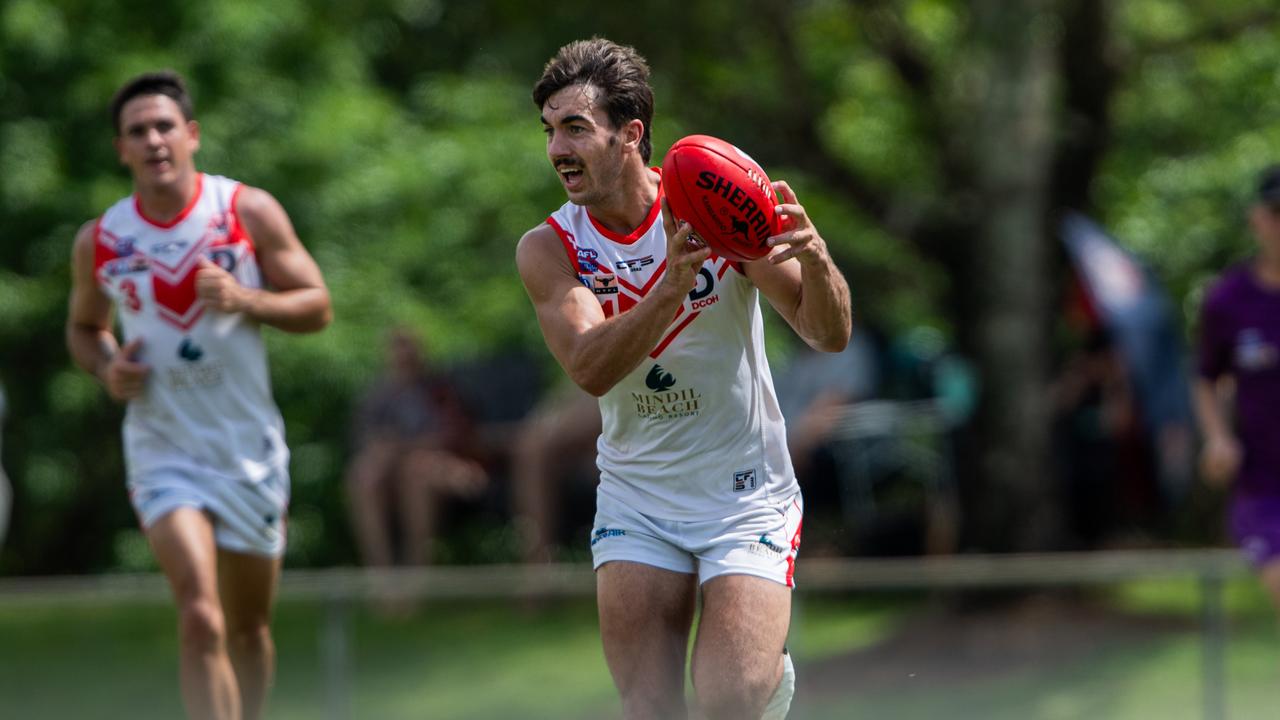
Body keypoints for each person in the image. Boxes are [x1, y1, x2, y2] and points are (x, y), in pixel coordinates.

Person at [516, 38, 852, 719]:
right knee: (651, 709)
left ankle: (761, 683)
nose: (557, 149)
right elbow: (589, 367)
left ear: (630, 134)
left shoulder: (712, 204)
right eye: (549, 130)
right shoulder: (551, 248)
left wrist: (816, 263)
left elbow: (827, 333)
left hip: (744, 497)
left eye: (575, 128)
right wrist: (669, 288)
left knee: (728, 703)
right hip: (638, 497)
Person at [65, 71, 331, 720]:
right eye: (137, 131)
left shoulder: (246, 211)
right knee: (201, 617)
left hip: (248, 451)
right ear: (120, 149)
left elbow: (317, 305)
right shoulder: (100, 240)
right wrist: (106, 369)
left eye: (164, 126)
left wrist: (247, 299)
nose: (153, 140)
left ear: (192, 135)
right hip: (164, 449)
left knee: (247, 629)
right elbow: (83, 328)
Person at [1195, 164, 1280, 618]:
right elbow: (1207, 377)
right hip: (1265, 487)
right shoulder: (1228, 301)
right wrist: (1217, 437)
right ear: (1260, 219)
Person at [345, 328, 487, 568]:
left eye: (408, 345)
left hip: (444, 470)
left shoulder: (440, 390)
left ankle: (417, 573)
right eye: (397, 346)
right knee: (364, 477)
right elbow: (366, 442)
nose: (403, 354)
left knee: (416, 471)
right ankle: (380, 573)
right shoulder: (378, 397)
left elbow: (454, 438)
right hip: (391, 473)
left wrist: (403, 448)